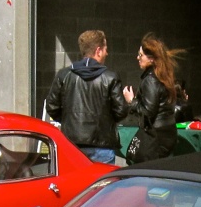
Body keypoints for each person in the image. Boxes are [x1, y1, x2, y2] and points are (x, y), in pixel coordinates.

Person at [45, 30, 127, 164]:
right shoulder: (110, 77)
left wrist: (68, 120)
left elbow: (52, 107)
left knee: (74, 184)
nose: (107, 53)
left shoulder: (64, 75)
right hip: (102, 145)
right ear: (98, 50)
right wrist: (106, 120)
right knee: (102, 184)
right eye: (106, 49)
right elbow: (121, 111)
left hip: (72, 144)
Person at [122, 33, 185, 163]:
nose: (137, 58)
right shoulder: (163, 77)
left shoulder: (150, 80)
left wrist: (131, 101)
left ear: (151, 59)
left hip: (155, 138)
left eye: (140, 55)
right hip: (167, 135)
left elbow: (148, 112)